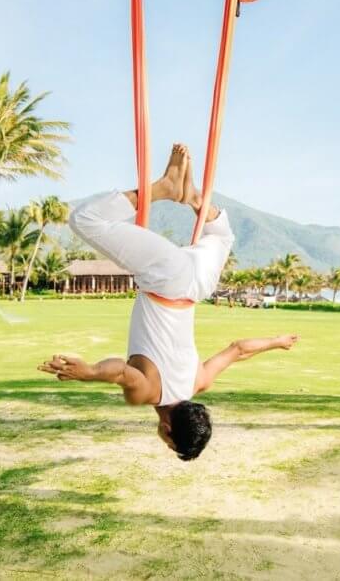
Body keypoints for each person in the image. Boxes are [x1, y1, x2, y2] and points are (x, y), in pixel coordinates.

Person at [38, 144, 298, 461]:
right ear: (170, 432)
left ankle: (193, 198)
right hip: (166, 281)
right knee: (85, 219)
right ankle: (165, 189)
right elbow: (121, 372)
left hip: (198, 287)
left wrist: (277, 341)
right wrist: (90, 372)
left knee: (222, 236)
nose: (164, 442)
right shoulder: (147, 394)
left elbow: (238, 350)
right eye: (170, 445)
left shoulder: (198, 382)